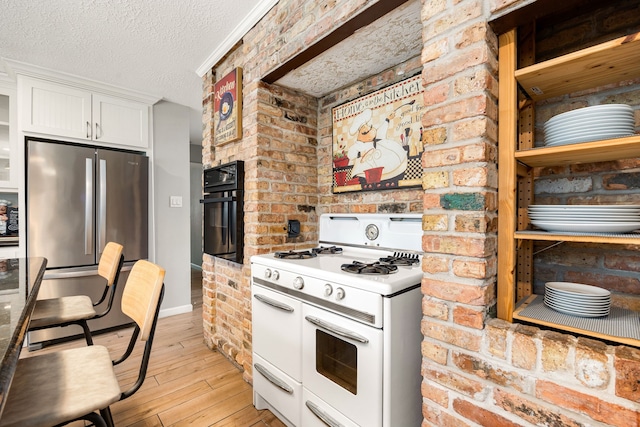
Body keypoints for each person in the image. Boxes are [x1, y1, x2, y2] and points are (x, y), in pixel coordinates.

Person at [347, 108, 407, 182]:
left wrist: (387, 119)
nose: (372, 129)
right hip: (365, 174)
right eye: (368, 129)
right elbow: (350, 154)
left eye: (370, 127)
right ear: (363, 133)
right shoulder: (358, 145)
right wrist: (359, 154)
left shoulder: (374, 139)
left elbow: (381, 131)